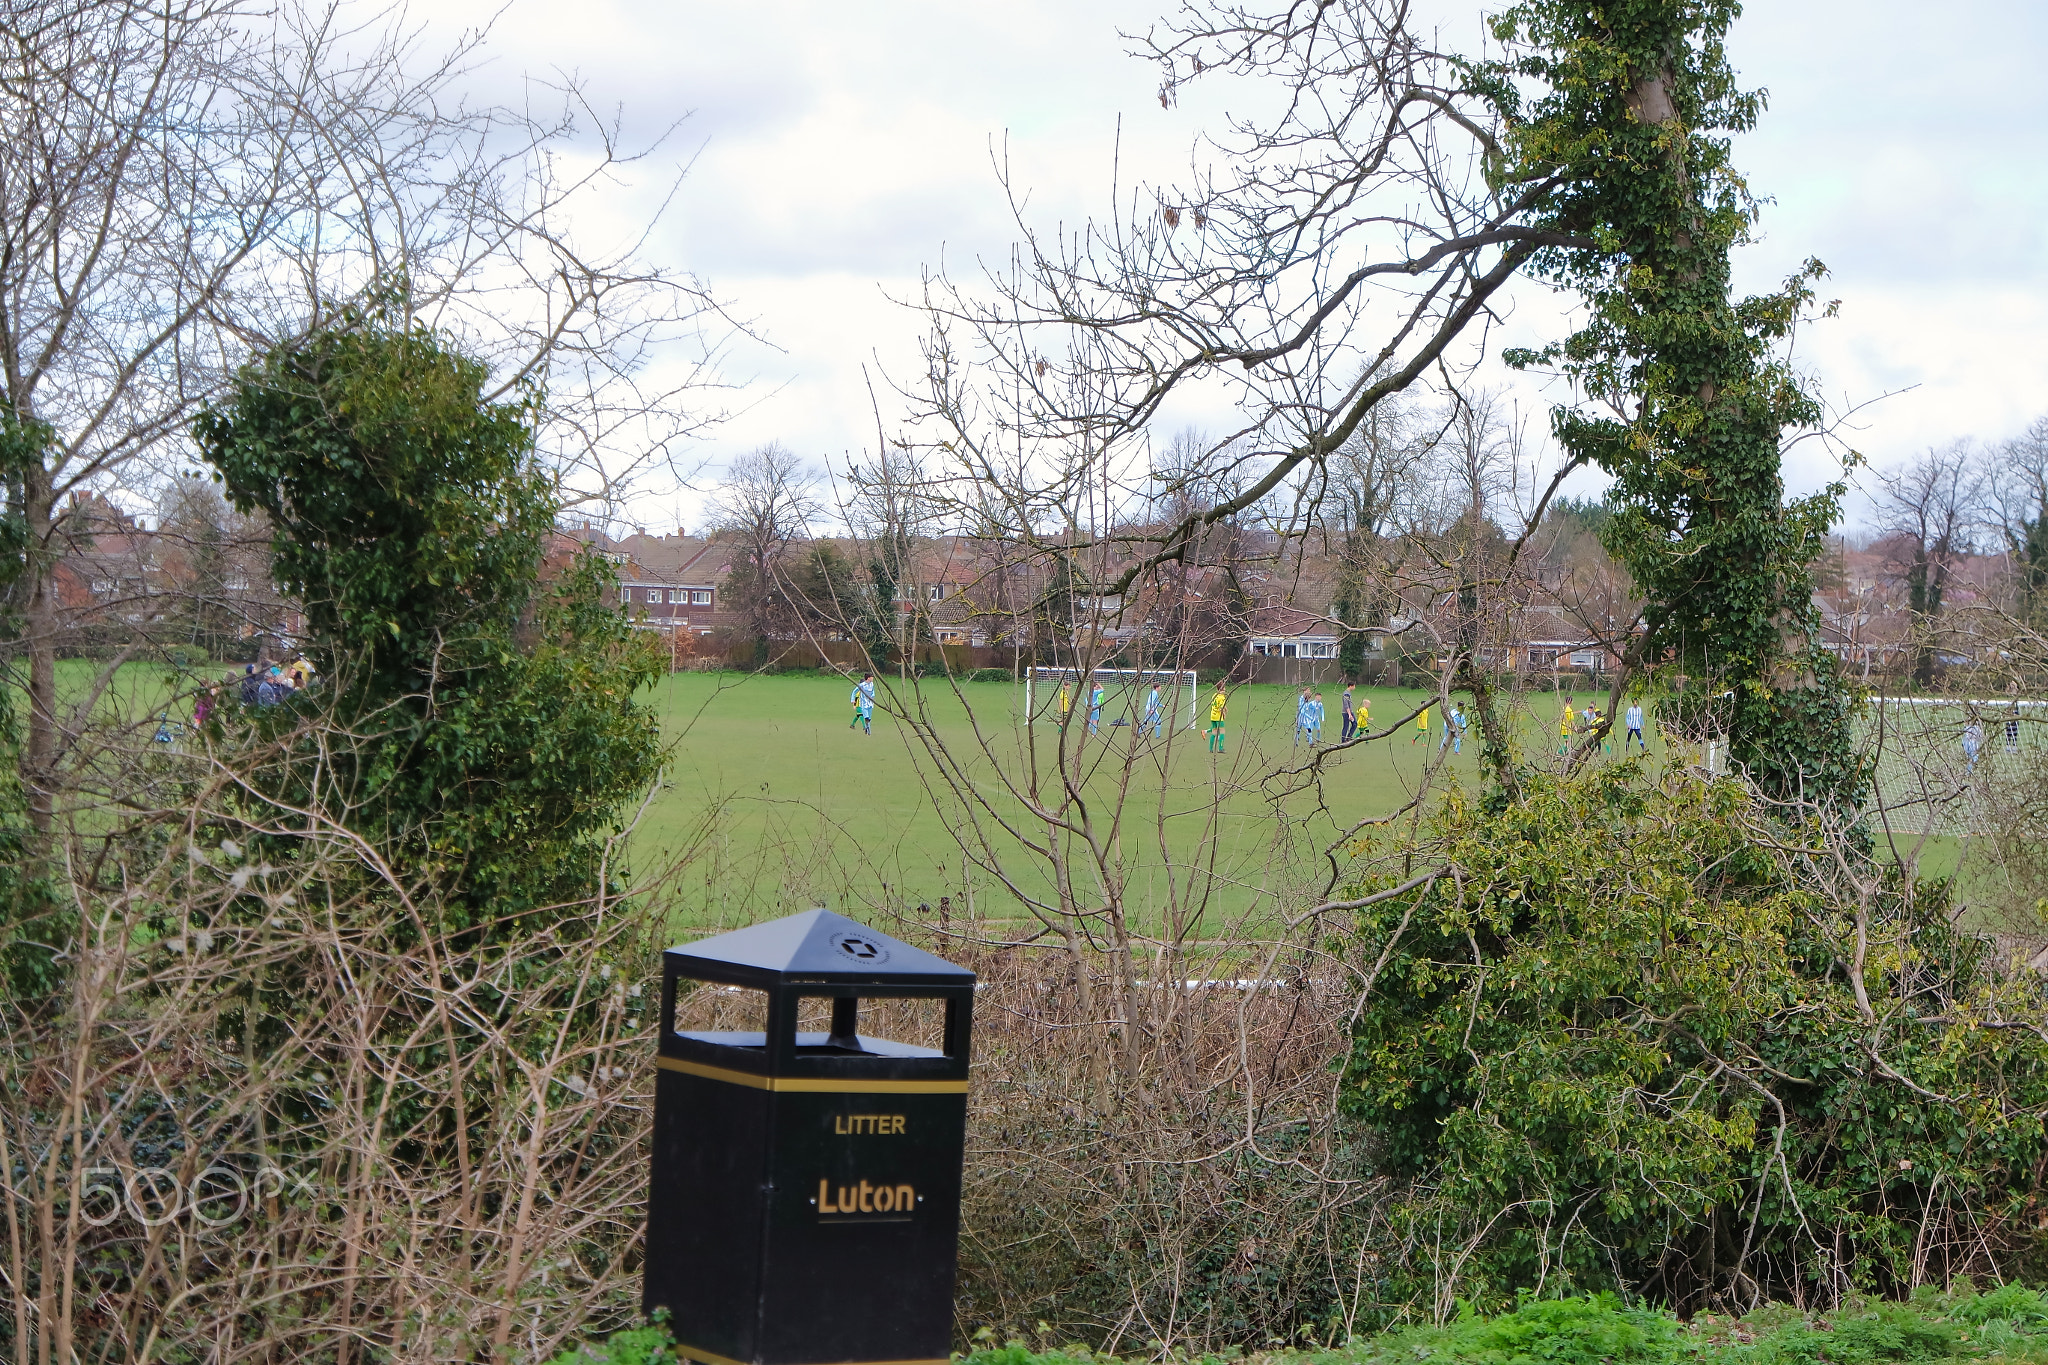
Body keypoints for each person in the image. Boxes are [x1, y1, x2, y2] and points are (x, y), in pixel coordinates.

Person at [1207, 685, 1228, 753]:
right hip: (1218, 717)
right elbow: (1221, 707)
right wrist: (1224, 714)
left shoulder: (1214, 695)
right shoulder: (1222, 697)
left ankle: (1210, 749)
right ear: (1222, 689)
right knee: (1222, 732)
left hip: (1212, 715)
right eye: (1224, 689)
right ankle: (1220, 748)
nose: (1225, 691)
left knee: (1214, 732)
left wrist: (1226, 708)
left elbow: (1218, 705)